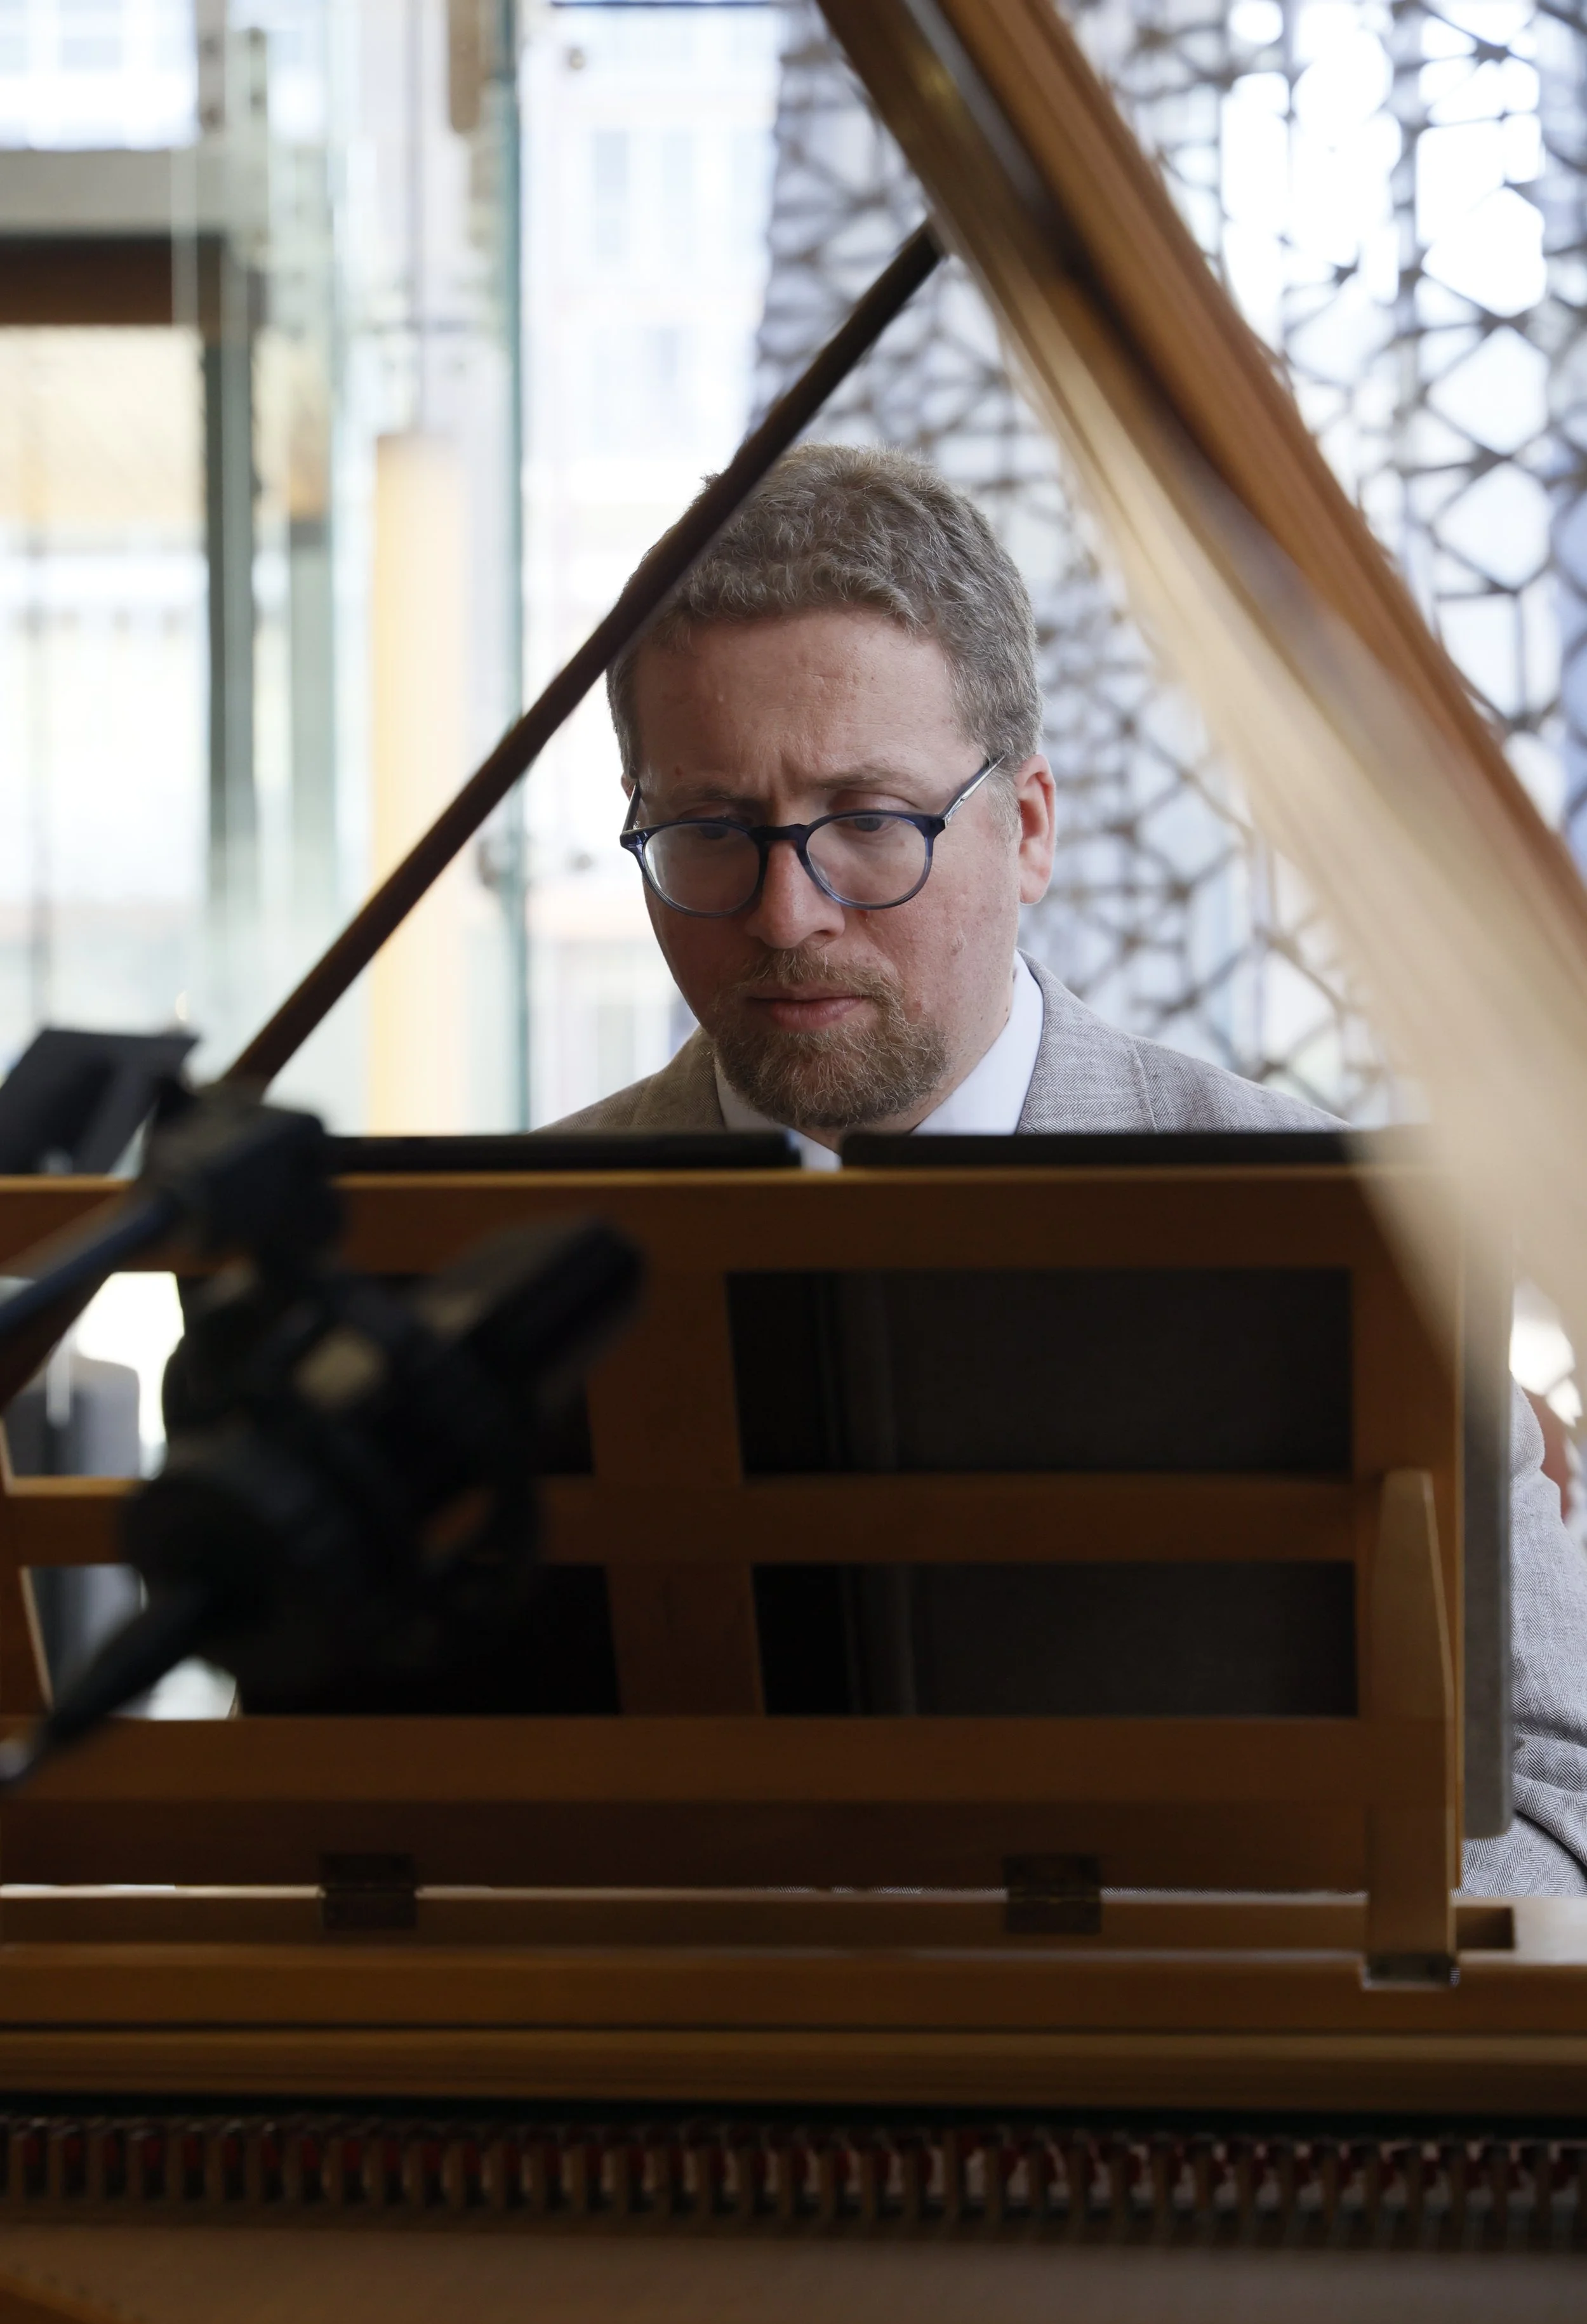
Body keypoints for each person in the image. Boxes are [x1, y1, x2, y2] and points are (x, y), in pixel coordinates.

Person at [551, 442, 1587, 1896]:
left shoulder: (1361, 1236)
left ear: (1027, 828)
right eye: (711, 831)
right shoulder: (490, 1252)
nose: (786, 915)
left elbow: (1555, 1809)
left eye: (868, 822)